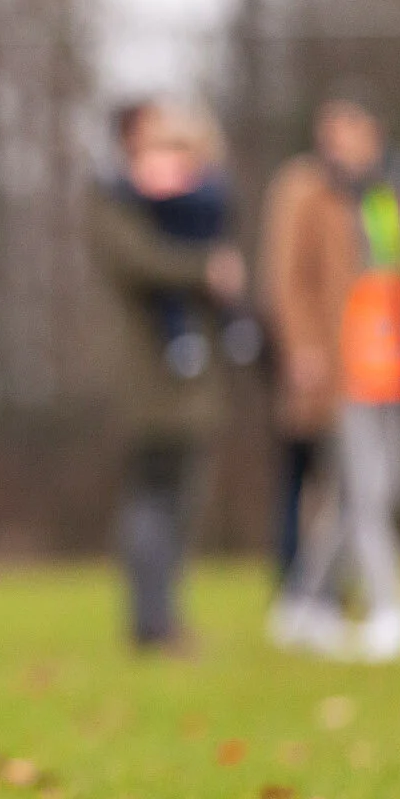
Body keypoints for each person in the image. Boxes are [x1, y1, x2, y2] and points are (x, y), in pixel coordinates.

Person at [261, 86, 400, 662]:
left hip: (395, 365)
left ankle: (303, 603)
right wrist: (301, 347)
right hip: (342, 367)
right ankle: (387, 611)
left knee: (374, 496)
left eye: (351, 130)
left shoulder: (396, 192)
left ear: (374, 132)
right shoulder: (304, 190)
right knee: (365, 494)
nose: (340, 143)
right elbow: (287, 279)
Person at [87, 99, 247, 652]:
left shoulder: (184, 192)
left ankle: (167, 620)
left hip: (191, 379)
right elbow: (139, 262)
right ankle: (151, 624)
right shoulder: (114, 198)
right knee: (152, 500)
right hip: (147, 377)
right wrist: (207, 269)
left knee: (183, 503)